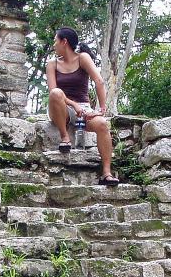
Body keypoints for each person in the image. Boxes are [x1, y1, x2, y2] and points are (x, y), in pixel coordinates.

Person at [46, 27, 119, 186]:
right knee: (57, 93)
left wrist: (101, 110)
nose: (53, 45)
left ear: (64, 42)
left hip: (83, 107)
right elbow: (53, 91)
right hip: (61, 107)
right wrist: (73, 105)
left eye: (55, 41)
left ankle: (106, 173)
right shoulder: (52, 64)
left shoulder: (82, 58)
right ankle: (65, 138)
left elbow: (99, 81)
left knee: (102, 124)